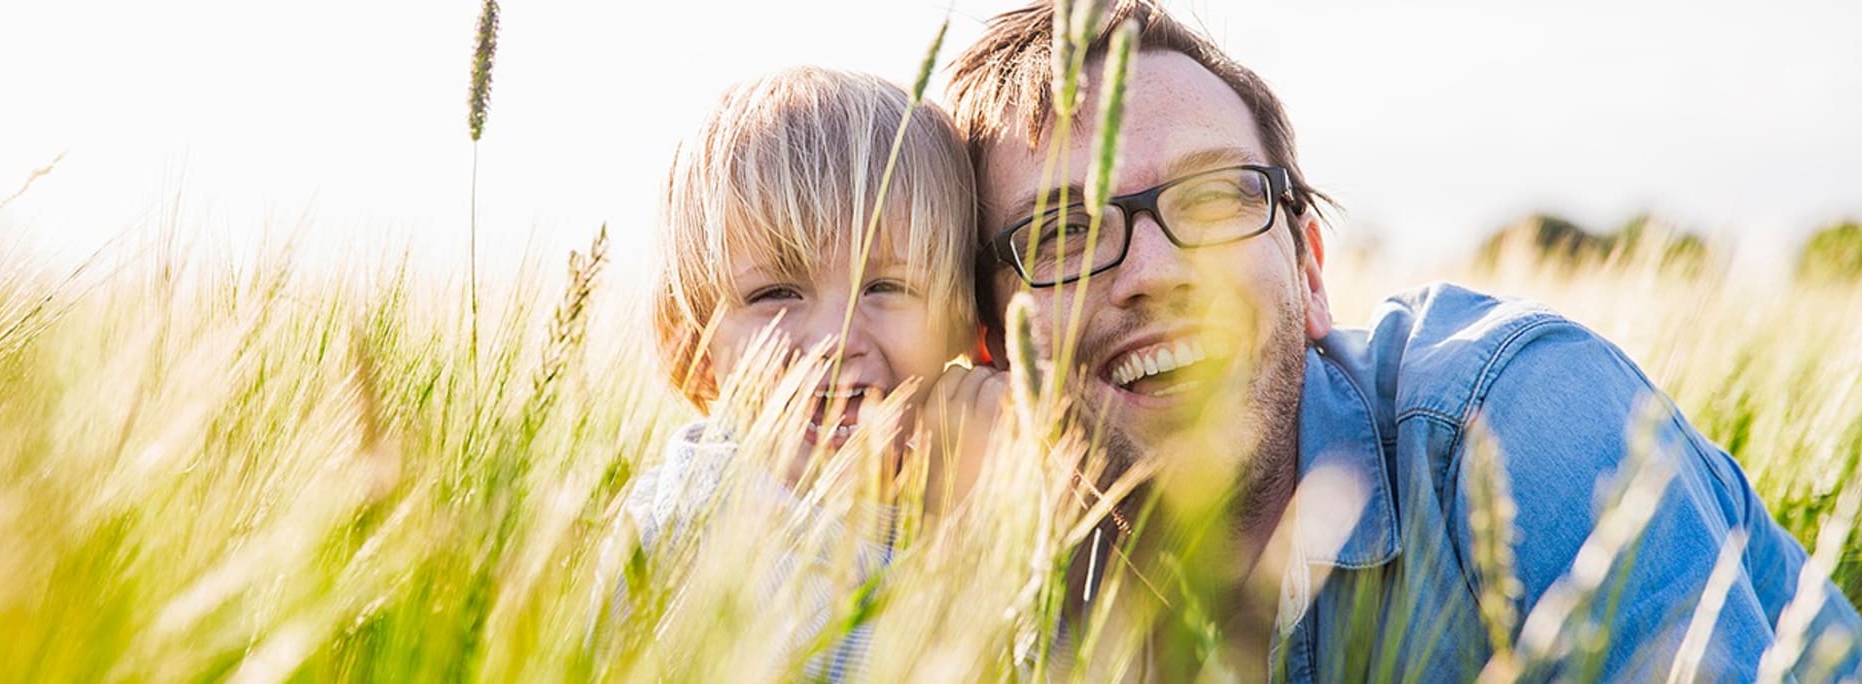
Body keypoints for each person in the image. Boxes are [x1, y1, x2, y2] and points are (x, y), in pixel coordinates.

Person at [941, 0, 1862, 679]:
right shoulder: (989, 590)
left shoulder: (1516, 421)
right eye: (1061, 233)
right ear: (988, 343)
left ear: (1308, 272)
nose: (1152, 270)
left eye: (1217, 197)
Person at [623, 65, 997, 680]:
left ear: (968, 323)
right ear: (690, 343)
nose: (834, 340)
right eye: (775, 293)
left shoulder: (981, 494)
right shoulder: (685, 538)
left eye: (887, 286)